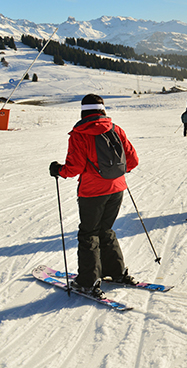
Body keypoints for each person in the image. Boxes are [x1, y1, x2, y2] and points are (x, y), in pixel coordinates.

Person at [49, 94, 139, 298]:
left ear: (84, 111)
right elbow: (132, 160)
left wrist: (58, 170)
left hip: (92, 192)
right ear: (102, 109)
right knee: (106, 229)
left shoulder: (79, 134)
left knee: (89, 233)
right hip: (117, 189)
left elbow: (74, 168)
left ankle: (88, 281)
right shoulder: (116, 130)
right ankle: (116, 272)